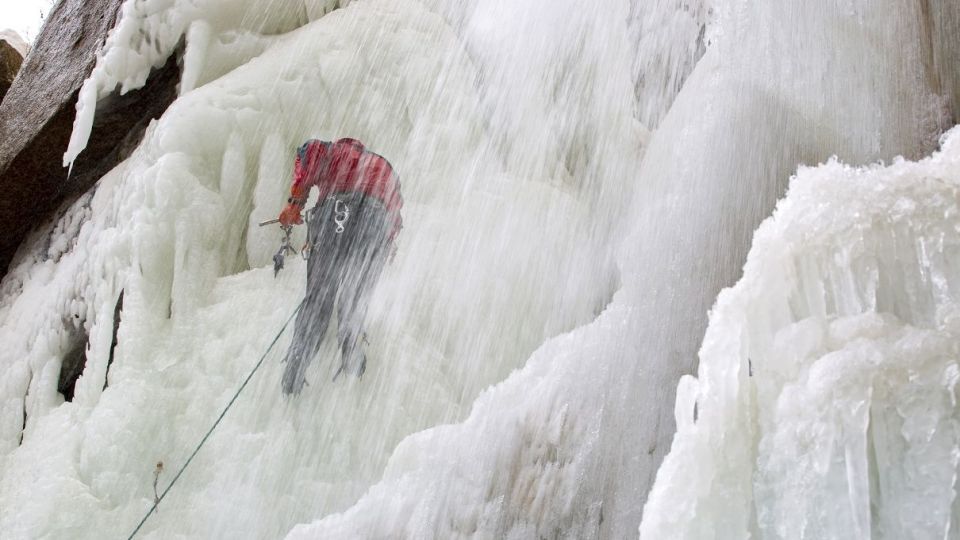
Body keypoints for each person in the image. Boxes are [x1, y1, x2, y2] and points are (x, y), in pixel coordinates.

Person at [277, 137, 402, 395]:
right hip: (377, 222)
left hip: (337, 210)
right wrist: (386, 245)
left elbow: (307, 156)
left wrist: (294, 205)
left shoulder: (334, 151)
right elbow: (396, 217)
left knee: (321, 292)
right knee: (356, 292)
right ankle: (351, 346)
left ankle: (298, 359)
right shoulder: (384, 167)